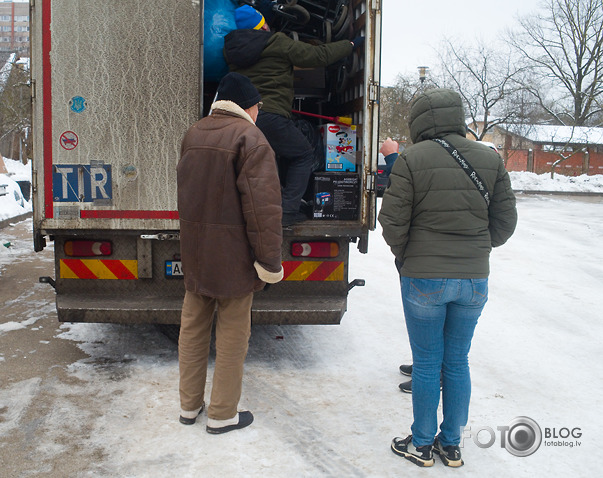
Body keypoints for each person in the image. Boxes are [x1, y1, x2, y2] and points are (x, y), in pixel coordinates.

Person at [379, 88, 517, 467]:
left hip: (424, 277)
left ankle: (421, 444)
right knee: (457, 362)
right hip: (473, 280)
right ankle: (451, 445)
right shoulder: (490, 159)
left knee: (426, 364)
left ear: (420, 121)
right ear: (457, 115)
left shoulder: (410, 159)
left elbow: (392, 222)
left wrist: (409, 257)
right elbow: (505, 223)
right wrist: (476, 250)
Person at [177, 72, 284, 434]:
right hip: (234, 261)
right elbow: (263, 210)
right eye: (258, 106)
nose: (259, 112)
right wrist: (269, 262)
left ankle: (189, 407)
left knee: (192, 331)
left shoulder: (194, 133)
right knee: (232, 335)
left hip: (196, 255)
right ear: (248, 105)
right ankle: (223, 414)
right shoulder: (251, 138)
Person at [224, 4, 363, 226]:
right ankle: (287, 212)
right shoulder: (276, 42)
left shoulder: (232, 51)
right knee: (302, 155)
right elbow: (317, 56)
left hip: (243, 120)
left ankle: (255, 210)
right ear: (262, 27)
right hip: (270, 115)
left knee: (265, 162)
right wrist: (349, 45)